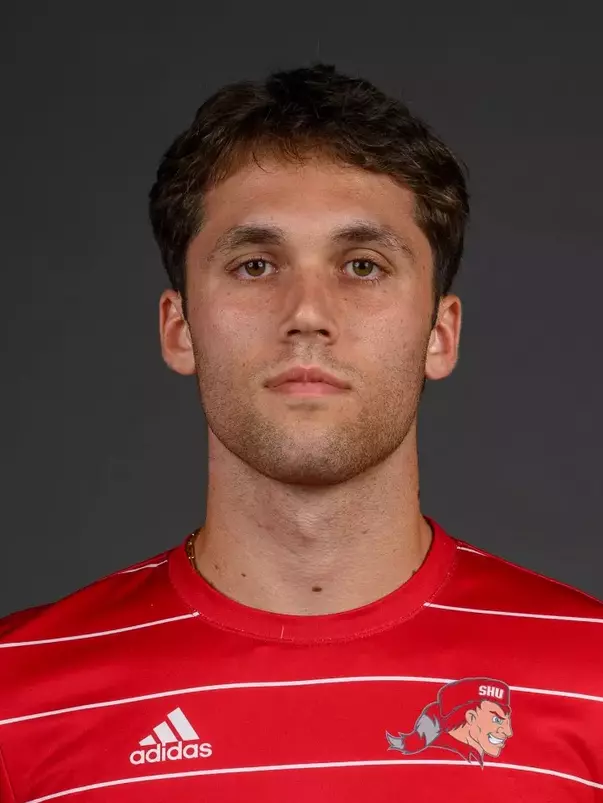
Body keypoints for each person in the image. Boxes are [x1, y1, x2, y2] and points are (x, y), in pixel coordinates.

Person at [0, 63, 601, 803]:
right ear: (179, 326)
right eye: (255, 264)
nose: (307, 311)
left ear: (439, 335)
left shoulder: (592, 676)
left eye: (362, 265)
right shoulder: (15, 695)